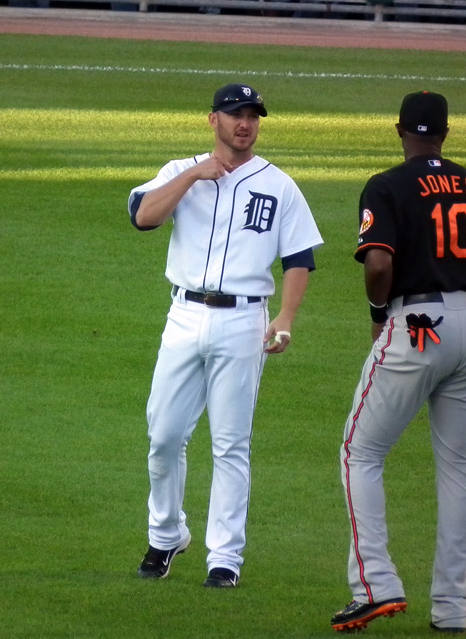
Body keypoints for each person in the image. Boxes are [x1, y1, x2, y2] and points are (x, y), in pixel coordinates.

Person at [331, 91, 466, 633]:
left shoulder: (387, 185)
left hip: (417, 325)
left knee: (360, 452)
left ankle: (374, 586)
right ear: (446, 134)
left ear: (400, 131)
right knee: (458, 467)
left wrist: (378, 312)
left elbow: (379, 263)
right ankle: (453, 608)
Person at [128, 83, 324, 588]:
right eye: (235, 113)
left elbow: (300, 257)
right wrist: (195, 174)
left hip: (244, 321)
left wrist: (285, 317)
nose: (245, 122)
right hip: (184, 315)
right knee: (164, 437)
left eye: (253, 115)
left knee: (231, 444)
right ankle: (166, 535)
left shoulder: (279, 185)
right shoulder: (179, 170)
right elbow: (144, 218)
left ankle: (225, 558)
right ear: (211, 119)